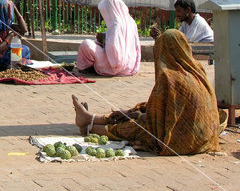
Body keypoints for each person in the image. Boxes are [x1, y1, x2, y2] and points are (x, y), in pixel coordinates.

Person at [71, 29, 221, 156]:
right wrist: (137, 112)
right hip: (206, 132)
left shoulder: (170, 79)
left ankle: (91, 126)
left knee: (136, 127)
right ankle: (90, 118)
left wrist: (136, 116)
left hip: (184, 139)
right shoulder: (197, 70)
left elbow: (156, 120)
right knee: (140, 109)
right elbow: (165, 107)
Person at [76, 0, 141, 76]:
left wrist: (103, 40)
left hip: (115, 66)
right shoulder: (131, 22)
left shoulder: (116, 24)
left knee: (86, 44)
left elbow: (114, 53)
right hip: (129, 66)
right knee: (93, 44)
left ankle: (87, 67)